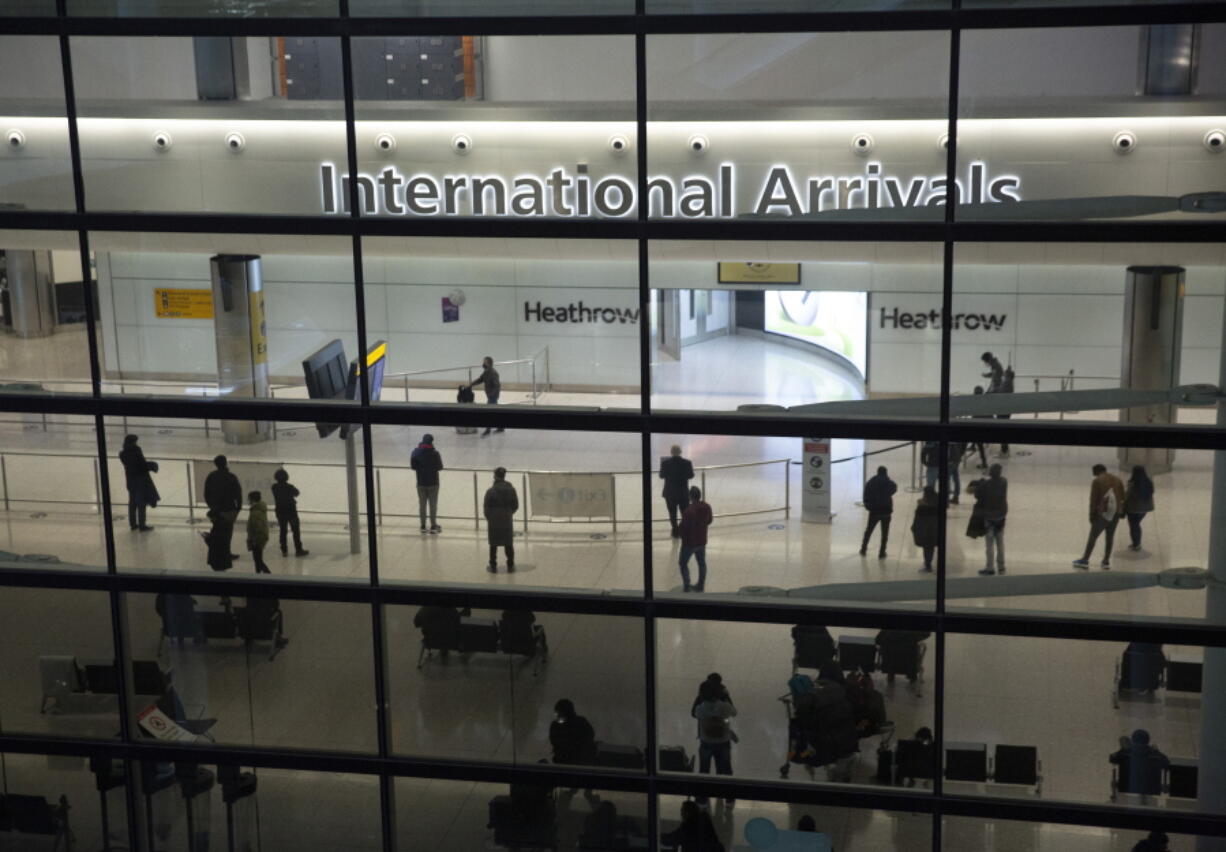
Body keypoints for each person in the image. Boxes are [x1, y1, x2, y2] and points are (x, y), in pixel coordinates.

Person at [693, 678, 737, 805]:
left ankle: (702, 798)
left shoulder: (700, 709)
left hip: (706, 743)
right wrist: (727, 697)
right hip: (723, 743)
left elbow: (696, 715)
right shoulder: (725, 706)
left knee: (704, 770)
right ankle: (729, 797)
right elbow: (734, 713)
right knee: (727, 769)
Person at [1073, 463, 1126, 569]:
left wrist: (1092, 515)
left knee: (1093, 537)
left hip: (1102, 514)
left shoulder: (1097, 481)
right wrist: (1121, 511)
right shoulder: (1117, 479)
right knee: (1110, 537)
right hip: (1115, 513)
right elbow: (1123, 497)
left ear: (1096, 471)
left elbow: (1093, 500)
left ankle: (1085, 559)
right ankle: (1106, 561)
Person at [204, 455, 242, 571]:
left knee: (217, 531)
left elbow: (206, 494)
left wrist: (212, 507)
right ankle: (225, 553)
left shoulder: (211, 476)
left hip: (216, 511)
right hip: (228, 510)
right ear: (225, 463)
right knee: (227, 533)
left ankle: (220, 552)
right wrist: (237, 508)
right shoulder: (231, 477)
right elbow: (238, 494)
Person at [969, 463, 1008, 575]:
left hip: (989, 517)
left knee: (989, 544)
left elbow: (978, 495)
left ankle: (990, 567)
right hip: (1001, 516)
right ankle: (1001, 566)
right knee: (1000, 542)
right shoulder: (1004, 482)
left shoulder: (987, 484)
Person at [1110, 729, 1169, 796]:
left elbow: (1112, 758)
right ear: (1147, 740)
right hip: (1151, 789)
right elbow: (1166, 763)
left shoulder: (1126, 752)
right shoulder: (1154, 754)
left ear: (1133, 740)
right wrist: (1157, 751)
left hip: (1127, 787)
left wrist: (1123, 749)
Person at [118, 434, 159, 531]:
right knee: (141, 503)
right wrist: (152, 465)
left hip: (130, 481)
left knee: (132, 503)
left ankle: (133, 524)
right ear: (133, 442)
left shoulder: (122, 454)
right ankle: (142, 525)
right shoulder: (136, 451)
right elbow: (142, 465)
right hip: (140, 480)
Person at [483, 466, 519, 572]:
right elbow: (516, 505)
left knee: (493, 543)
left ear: (495, 476)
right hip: (506, 519)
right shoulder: (511, 490)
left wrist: (490, 517)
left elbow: (486, 507)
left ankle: (493, 565)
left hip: (493, 520)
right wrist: (508, 513)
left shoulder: (490, 491)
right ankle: (510, 564)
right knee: (508, 543)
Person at [679, 486, 712, 592]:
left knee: (683, 563)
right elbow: (709, 520)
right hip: (701, 541)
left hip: (689, 543)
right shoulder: (707, 507)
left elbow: (683, 529)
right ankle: (701, 585)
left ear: (690, 497)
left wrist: (681, 535)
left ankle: (687, 585)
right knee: (701, 563)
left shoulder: (688, 511)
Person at [859, 466, 897, 559]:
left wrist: (868, 506)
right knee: (885, 533)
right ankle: (882, 552)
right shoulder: (888, 483)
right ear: (886, 473)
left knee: (869, 530)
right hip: (886, 511)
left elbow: (866, 494)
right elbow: (894, 488)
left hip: (874, 511)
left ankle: (863, 549)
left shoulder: (871, 482)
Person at [410, 433, 444, 534]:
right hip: (433, 483)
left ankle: (423, 525)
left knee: (422, 504)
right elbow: (440, 467)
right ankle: (433, 525)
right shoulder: (435, 453)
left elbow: (413, 466)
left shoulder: (415, 452)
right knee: (433, 505)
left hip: (421, 482)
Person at [659, 444, 695, 538]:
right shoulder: (687, 463)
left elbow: (661, 476)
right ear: (680, 452)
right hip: (683, 492)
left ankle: (675, 531)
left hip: (670, 493)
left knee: (672, 513)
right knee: (685, 513)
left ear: (671, 452)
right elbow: (691, 475)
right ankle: (682, 528)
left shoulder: (665, 463)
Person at [549, 698, 597, 767]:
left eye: (559, 713)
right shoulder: (581, 722)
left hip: (576, 762)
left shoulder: (580, 723)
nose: (557, 716)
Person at [270, 469, 308, 557]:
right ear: (286, 477)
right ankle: (298, 550)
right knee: (295, 531)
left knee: (283, 531)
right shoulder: (290, 487)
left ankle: (284, 550)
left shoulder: (274, 487)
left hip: (280, 511)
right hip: (291, 511)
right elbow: (297, 493)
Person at [468, 355, 502, 437]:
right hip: (490, 395)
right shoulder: (486, 372)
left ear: (488, 363)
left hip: (492, 396)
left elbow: (497, 386)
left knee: (488, 412)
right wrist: (471, 384)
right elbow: (481, 379)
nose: (483, 363)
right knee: (496, 412)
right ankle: (501, 427)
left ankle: (488, 429)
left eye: (484, 362)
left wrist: (492, 396)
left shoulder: (493, 373)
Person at [1124, 465, 1155, 552]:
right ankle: (1136, 543)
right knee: (1136, 524)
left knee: (1134, 526)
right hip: (1145, 509)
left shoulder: (1132, 484)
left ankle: (1136, 544)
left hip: (1133, 509)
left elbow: (1127, 496)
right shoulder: (1149, 482)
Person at [910, 485, 940, 572]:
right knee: (932, 547)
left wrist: (914, 527)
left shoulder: (922, 507)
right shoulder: (938, 504)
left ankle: (928, 565)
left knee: (927, 548)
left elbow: (917, 520)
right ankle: (931, 563)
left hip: (925, 530)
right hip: (935, 529)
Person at [245, 491, 270, 574]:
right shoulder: (259, 510)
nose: (248, 500)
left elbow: (258, 528)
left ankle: (268, 574)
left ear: (252, 499)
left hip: (256, 540)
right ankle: (258, 574)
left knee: (258, 560)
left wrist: (255, 540)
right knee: (258, 560)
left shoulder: (255, 513)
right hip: (259, 538)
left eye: (249, 499)